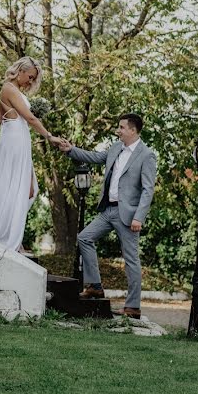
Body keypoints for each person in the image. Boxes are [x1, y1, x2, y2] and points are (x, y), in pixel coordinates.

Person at [56, 114, 157, 319]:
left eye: (121, 127)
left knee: (131, 260)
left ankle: (133, 307)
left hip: (128, 214)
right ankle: (94, 286)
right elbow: (95, 157)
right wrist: (71, 150)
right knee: (84, 237)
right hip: (108, 210)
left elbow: (148, 189)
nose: (117, 130)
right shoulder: (115, 149)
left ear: (133, 130)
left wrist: (139, 216)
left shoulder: (146, 155)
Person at [0, 57, 64, 252]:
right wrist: (49, 136)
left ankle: (7, 230)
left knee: (28, 189)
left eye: (33, 79)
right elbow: (29, 117)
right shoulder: (9, 88)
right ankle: (9, 236)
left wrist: (14, 116)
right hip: (16, 138)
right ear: (20, 71)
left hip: (16, 136)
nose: (31, 82)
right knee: (20, 187)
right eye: (30, 77)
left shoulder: (9, 90)